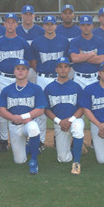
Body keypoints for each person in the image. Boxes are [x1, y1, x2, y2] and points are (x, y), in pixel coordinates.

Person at [0, 13, 34, 153]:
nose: (10, 25)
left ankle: (27, 136)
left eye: (13, 22)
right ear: (4, 24)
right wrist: (0, 75)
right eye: (8, 22)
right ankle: (4, 139)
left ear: (17, 24)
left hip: (21, 78)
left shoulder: (22, 42)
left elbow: (28, 61)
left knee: (25, 105)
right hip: (4, 77)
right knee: (3, 108)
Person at [0, 59, 47, 175]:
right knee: (19, 161)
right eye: (18, 69)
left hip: (29, 123)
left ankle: (34, 161)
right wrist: (13, 117)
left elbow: (41, 109)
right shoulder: (7, 90)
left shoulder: (36, 88)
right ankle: (30, 147)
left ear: (28, 72)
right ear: (14, 72)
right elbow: (2, 110)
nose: (20, 71)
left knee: (33, 128)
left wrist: (24, 116)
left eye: (23, 69)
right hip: (14, 125)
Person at [31, 15, 69, 149]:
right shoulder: (36, 42)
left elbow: (67, 61)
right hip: (42, 77)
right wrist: (42, 72)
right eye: (46, 24)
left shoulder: (64, 41)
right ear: (43, 26)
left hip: (59, 78)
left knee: (61, 108)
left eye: (51, 24)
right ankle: (40, 141)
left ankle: (60, 137)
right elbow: (33, 62)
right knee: (41, 110)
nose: (49, 26)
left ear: (55, 26)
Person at [44, 57, 85, 174]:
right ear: (56, 69)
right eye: (60, 67)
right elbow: (46, 109)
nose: (63, 69)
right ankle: (77, 147)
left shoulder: (76, 87)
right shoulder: (49, 88)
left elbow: (82, 107)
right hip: (59, 123)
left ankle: (76, 163)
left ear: (69, 69)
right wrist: (59, 121)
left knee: (77, 129)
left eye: (66, 67)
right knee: (63, 159)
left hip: (75, 120)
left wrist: (70, 120)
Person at [69, 15, 104, 89]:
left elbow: (100, 60)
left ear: (92, 26)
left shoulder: (100, 40)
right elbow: (75, 59)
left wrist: (82, 56)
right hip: (79, 78)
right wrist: (91, 54)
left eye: (88, 25)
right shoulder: (75, 41)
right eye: (83, 25)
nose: (85, 27)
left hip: (95, 77)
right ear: (80, 26)